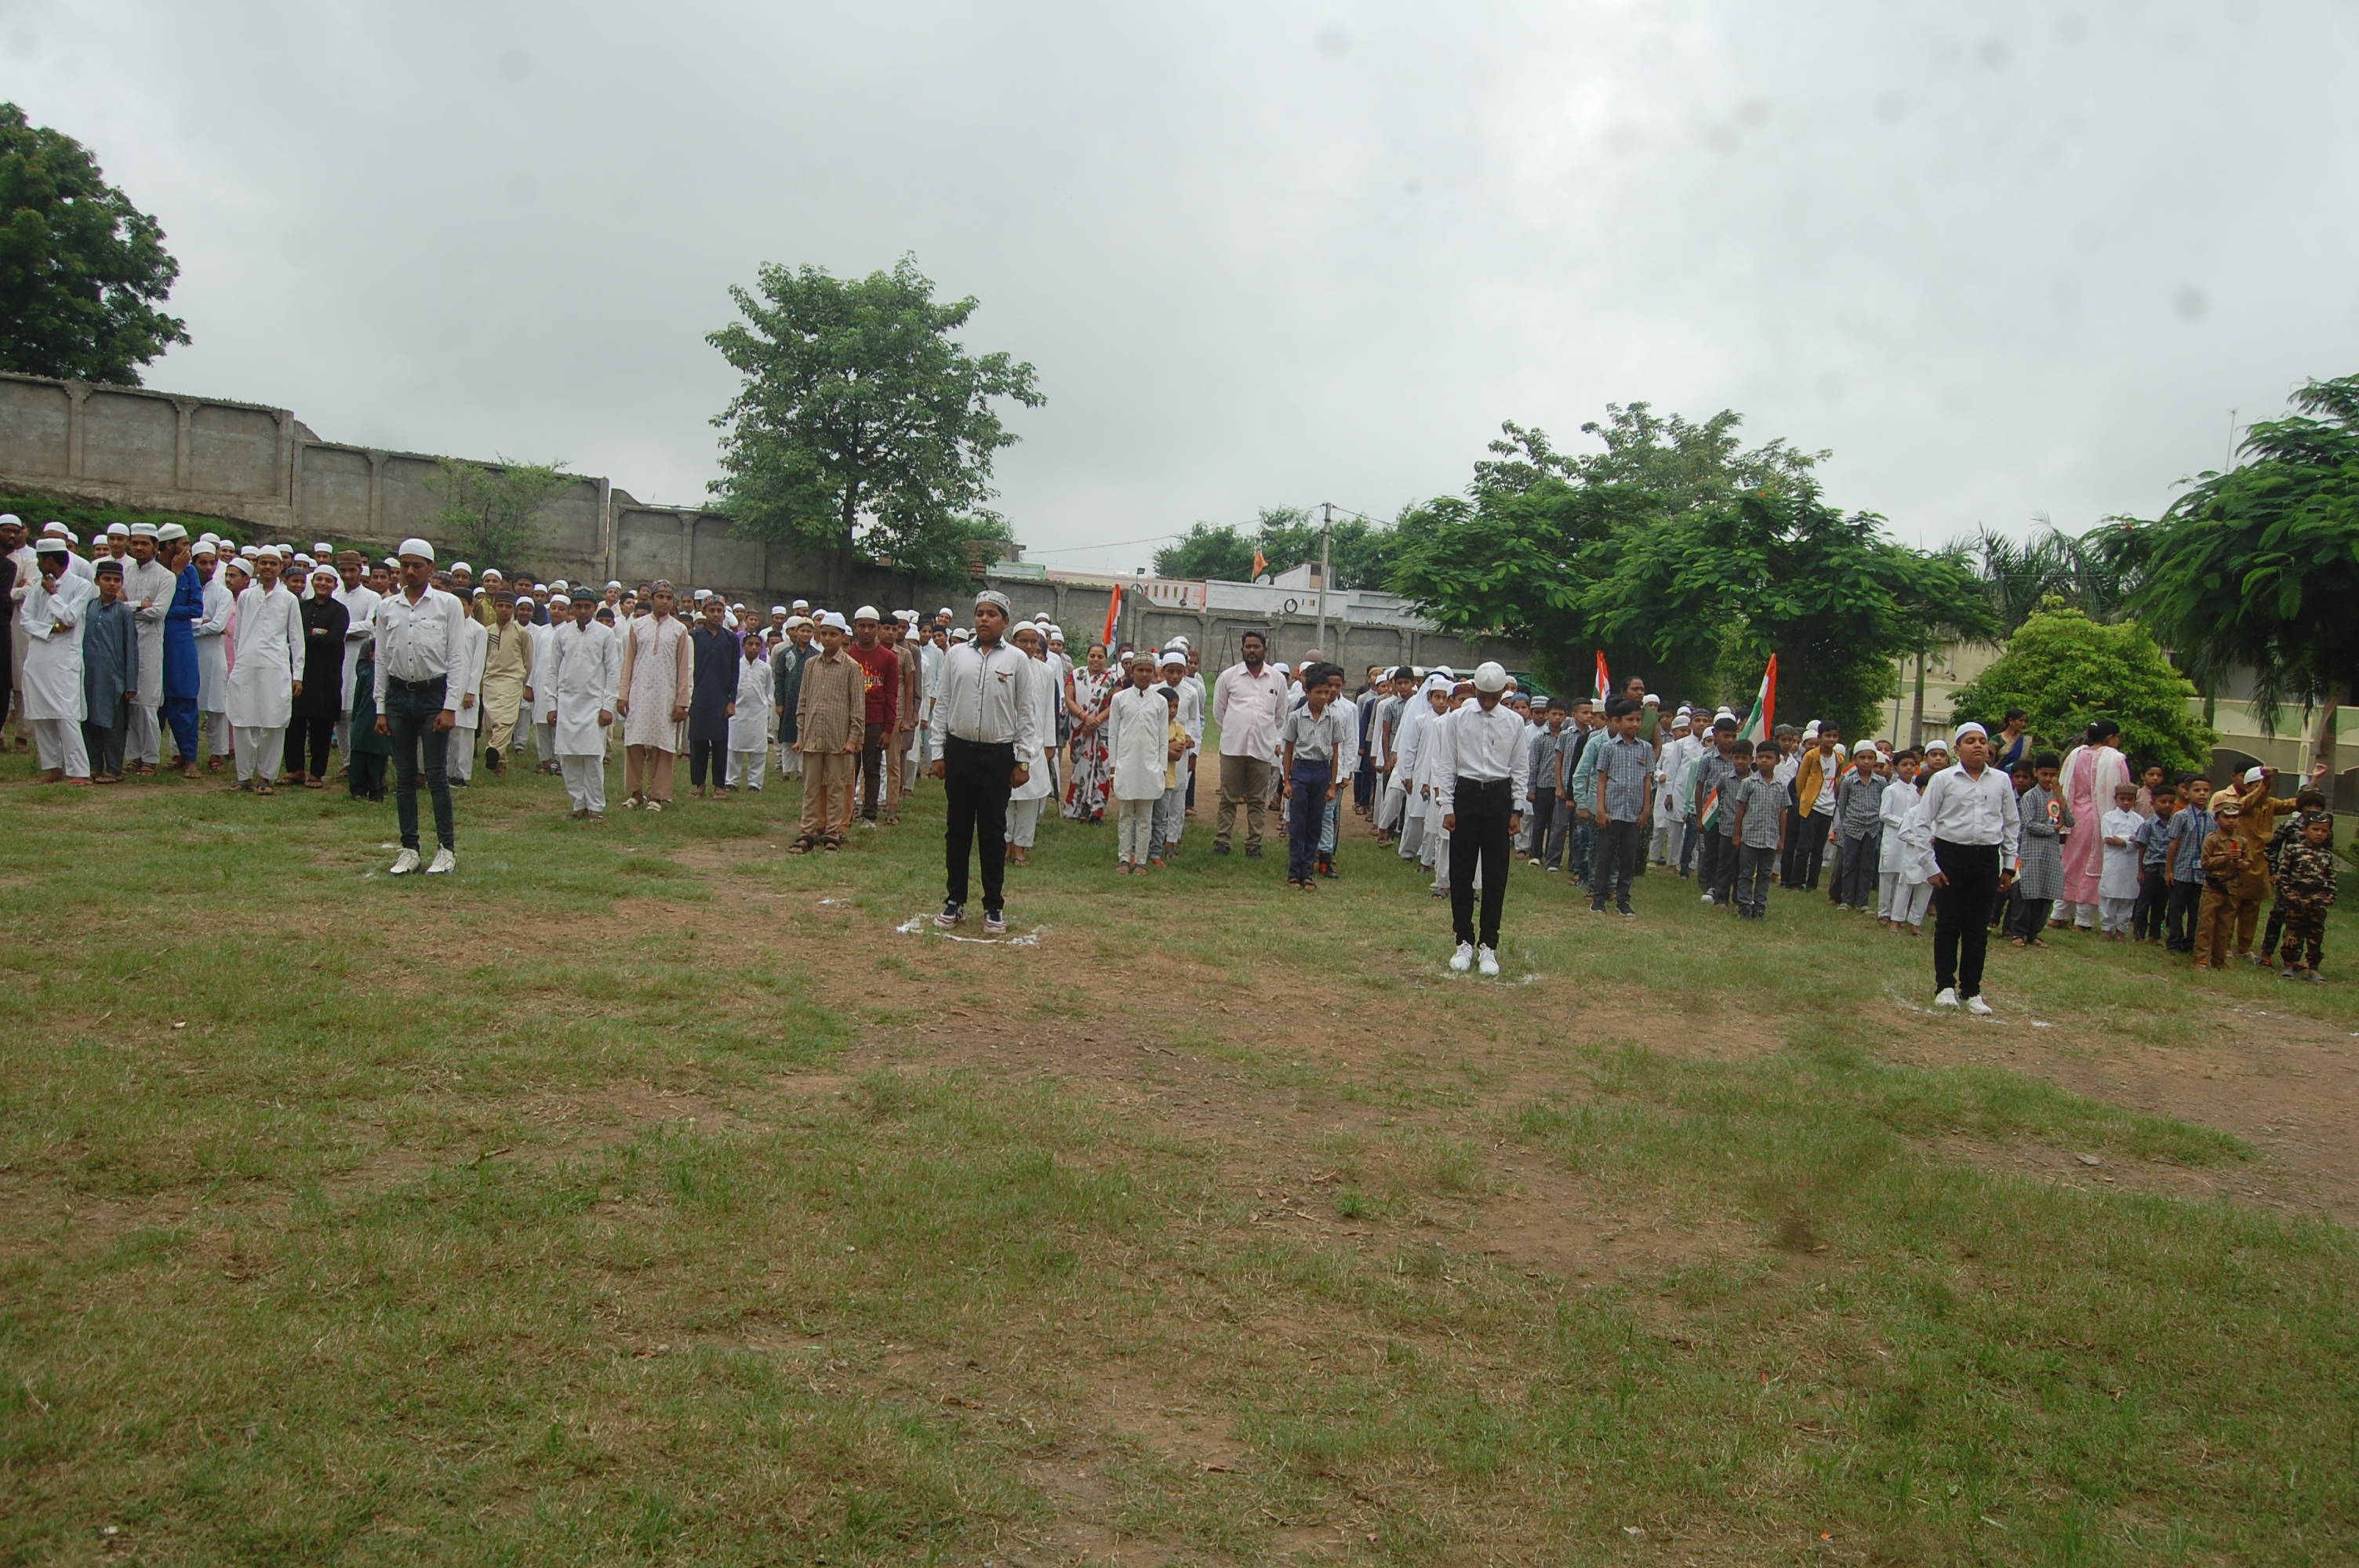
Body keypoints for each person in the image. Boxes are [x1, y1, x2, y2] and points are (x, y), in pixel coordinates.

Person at [929, 590, 1038, 932]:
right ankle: (954, 900)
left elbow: (1026, 712)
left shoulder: (1017, 660)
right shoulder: (957, 655)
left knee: (993, 833)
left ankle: (993, 905)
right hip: (959, 752)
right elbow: (943, 703)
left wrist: (1023, 760)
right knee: (957, 830)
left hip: (997, 755)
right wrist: (937, 751)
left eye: (992, 614)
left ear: (1005, 621)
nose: (984, 619)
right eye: (980, 613)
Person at [371, 538, 467, 875]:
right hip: (398, 696)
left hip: (433, 696)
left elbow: (457, 657)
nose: (409, 572)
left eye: (417, 566)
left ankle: (446, 849)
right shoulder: (387, 608)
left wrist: (450, 705)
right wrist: (380, 707)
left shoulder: (448, 605)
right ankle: (409, 847)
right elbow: (381, 657)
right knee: (405, 775)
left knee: (437, 775)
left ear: (430, 568)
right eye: (404, 566)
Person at [1918, 722, 2020, 1012]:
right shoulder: (1944, 779)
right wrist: (1930, 865)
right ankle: (1945, 986)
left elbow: (2011, 824)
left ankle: (1972, 990)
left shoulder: (2000, 780)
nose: (1978, 746)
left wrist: (2009, 866)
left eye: (1982, 741)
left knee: (1977, 929)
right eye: (1970, 741)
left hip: (1987, 858)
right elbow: (1922, 822)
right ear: (1957, 749)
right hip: (1951, 856)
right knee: (1949, 924)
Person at [1432, 662, 1527, 972]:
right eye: (1483, 696)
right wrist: (1447, 806)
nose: (1487, 703)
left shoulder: (1514, 722)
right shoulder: (1457, 719)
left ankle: (1489, 944)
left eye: (1493, 697)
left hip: (1499, 795)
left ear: (1503, 692)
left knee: (1496, 873)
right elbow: (1446, 763)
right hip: (1467, 793)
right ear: (1475, 690)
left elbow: (1520, 768)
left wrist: (1517, 808)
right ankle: (1463, 940)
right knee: (1461, 871)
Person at [226, 546, 304, 796]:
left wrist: (297, 674)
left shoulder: (289, 599)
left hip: (276, 666)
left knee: (274, 721)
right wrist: (239, 663)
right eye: (263, 563)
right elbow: (238, 635)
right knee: (242, 719)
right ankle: (243, 776)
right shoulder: (247, 596)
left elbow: (296, 638)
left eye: (273, 563)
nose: (268, 567)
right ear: (257, 566)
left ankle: (267, 777)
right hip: (247, 665)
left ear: (280, 567)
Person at [21, 539, 95, 783]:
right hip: (38, 659)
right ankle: (53, 767)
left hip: (64, 660)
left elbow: (71, 617)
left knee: (66, 714)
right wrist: (51, 629)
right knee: (42, 714)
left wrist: (54, 594)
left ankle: (79, 771)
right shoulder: (36, 588)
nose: (39, 565)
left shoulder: (81, 585)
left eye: (41, 561)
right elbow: (26, 620)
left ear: (50, 560)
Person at [789, 612, 863, 853]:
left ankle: (833, 832)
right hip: (813, 736)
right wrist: (801, 736)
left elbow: (857, 707)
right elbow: (803, 702)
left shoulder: (852, 667)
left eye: (834, 634)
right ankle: (807, 832)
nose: (828, 639)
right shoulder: (811, 665)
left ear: (843, 637)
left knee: (836, 787)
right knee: (811, 788)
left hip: (839, 739)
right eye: (824, 634)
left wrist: (853, 739)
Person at [616, 580, 691, 813]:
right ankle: (636, 794)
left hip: (666, 695)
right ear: (652, 599)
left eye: (669, 598)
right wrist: (623, 694)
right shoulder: (637, 627)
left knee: (663, 745)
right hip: (639, 693)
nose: (665, 602)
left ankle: (658, 796)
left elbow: (685, 669)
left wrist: (682, 702)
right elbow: (627, 662)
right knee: (634, 742)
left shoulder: (680, 630)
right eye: (661, 597)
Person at [1210, 631, 1287, 856]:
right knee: (1228, 798)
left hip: (1262, 749)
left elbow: (1281, 715)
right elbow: (1219, 712)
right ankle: (1222, 841)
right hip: (1233, 747)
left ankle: (1254, 845)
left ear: (1265, 649)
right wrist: (1236, 730)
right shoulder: (1229, 676)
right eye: (1248, 647)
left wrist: (1272, 738)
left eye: (1256, 647)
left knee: (1257, 800)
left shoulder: (1276, 679)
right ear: (1242, 649)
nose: (1252, 650)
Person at [547, 590, 619, 820]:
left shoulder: (605, 635)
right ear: (571, 609)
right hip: (567, 702)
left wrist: (608, 706)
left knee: (592, 757)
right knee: (567, 757)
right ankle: (578, 804)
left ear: (594, 608)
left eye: (587, 606)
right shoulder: (562, 634)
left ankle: (596, 807)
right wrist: (551, 704)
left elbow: (613, 671)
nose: (582, 611)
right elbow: (552, 670)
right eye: (578, 606)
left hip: (594, 704)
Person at [1277, 660, 1347, 891]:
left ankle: (1307, 873)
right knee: (1298, 824)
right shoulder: (1296, 717)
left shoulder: (1333, 719)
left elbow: (1336, 753)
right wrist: (1286, 781)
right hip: (1301, 770)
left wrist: (1332, 785)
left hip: (1322, 771)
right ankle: (1294, 873)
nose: (1324, 697)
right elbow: (1288, 750)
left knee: (1315, 825)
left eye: (1327, 693)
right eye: (1319, 692)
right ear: (1307, 692)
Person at [2056, 719, 2132, 931]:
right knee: (2092, 866)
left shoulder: (2075, 755)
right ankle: (2083, 919)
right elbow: (2124, 790)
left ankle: (2059, 913)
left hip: (2074, 816)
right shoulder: (2115, 758)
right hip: (2101, 817)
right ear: (2110, 738)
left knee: (2070, 863)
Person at [1588, 696, 1653, 916]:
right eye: (1629, 719)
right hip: (1611, 811)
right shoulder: (1608, 747)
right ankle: (1598, 899)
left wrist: (1646, 810)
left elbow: (1647, 780)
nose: (1634, 724)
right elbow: (1602, 779)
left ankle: (1623, 899)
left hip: (1633, 814)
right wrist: (1600, 809)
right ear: (1618, 720)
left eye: (1638, 720)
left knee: (1628, 858)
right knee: (1604, 856)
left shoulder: (1645, 749)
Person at [1107, 650, 1171, 873]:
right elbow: (1113, 734)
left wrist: (1162, 768)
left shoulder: (1161, 701)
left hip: (1150, 766)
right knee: (1125, 815)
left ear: (1155, 673)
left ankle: (1141, 860)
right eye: (1140, 670)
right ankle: (1124, 858)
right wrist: (1113, 766)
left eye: (1148, 670)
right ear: (1131, 672)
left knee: (1145, 817)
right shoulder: (1119, 699)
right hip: (1126, 764)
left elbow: (1164, 738)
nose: (1144, 674)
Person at [118, 522, 174, 776]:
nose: (139, 547)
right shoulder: (124, 571)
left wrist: (128, 607)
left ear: (155, 546)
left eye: (144, 543)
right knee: (128, 701)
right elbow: (116, 605)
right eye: (135, 542)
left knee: (148, 702)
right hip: (124, 642)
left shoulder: (166, 576)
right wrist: (138, 605)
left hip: (150, 644)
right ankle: (134, 756)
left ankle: (150, 758)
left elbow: (158, 612)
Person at [290, 563, 351, 789]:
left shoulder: (339, 611)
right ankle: (295, 769)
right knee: (295, 722)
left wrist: (310, 635)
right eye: (319, 579)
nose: (323, 584)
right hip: (301, 671)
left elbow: (334, 638)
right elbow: (295, 635)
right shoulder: (301, 607)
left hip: (326, 675)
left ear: (335, 585)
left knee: (321, 725)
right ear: (312, 582)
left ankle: (317, 773)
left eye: (328, 580)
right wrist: (316, 634)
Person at [79, 556, 138, 782]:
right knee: (89, 721)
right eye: (107, 579)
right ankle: (94, 766)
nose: (112, 584)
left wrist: (130, 682)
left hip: (114, 677)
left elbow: (131, 648)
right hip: (89, 675)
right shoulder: (89, 608)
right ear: (97, 581)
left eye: (116, 580)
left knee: (112, 724)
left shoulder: (123, 612)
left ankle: (113, 769)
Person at [845, 607, 901, 825]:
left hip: (876, 721)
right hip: (850, 721)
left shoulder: (888, 658)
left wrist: (888, 730)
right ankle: (847, 812)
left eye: (871, 626)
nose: (866, 631)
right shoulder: (848, 655)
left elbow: (891, 694)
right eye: (862, 626)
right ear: (855, 628)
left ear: (878, 628)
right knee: (849, 769)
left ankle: (869, 814)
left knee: (872, 768)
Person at [2008, 752, 2071, 945]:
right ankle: (2018, 932)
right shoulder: (2030, 796)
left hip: (2051, 853)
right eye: (2044, 774)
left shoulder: (2057, 797)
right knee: (2027, 891)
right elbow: (2029, 823)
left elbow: (2071, 821)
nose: (2049, 779)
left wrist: (2062, 801)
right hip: (2031, 851)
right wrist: (2053, 829)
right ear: (2036, 773)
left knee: (2046, 893)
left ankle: (2035, 933)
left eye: (2053, 775)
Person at [154, 524, 202, 775]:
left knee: (184, 696)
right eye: (184, 543)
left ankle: (190, 758)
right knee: (153, 700)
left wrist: (160, 611)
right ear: (170, 546)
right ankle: (147, 757)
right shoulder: (152, 571)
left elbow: (196, 608)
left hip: (180, 641)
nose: (188, 548)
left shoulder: (190, 573)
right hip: (154, 640)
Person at [2194, 798, 2263, 971]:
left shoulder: (2242, 842)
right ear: (2217, 819)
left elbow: (2249, 862)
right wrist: (2225, 858)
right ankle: (2201, 958)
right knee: (2207, 925)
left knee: (2225, 926)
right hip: (2214, 887)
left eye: (2235, 817)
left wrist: (2242, 864)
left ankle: (2219, 958)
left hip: (2232, 888)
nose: (2231, 821)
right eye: (2226, 817)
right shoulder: (2212, 840)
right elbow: (2205, 863)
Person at [2274, 813, 2338, 981]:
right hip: (2297, 898)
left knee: (2316, 934)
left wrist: (2329, 897)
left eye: (2324, 831)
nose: (2319, 834)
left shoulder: (2327, 855)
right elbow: (2283, 875)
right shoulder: (2294, 850)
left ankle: (2313, 967)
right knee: (2293, 933)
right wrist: (2289, 894)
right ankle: (2290, 964)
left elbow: (2331, 878)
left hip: (2318, 900)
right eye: (2315, 829)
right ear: (2304, 830)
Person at [477, 591, 533, 775]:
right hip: (490, 680)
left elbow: (528, 661)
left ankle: (493, 749)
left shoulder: (521, 633)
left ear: (513, 610)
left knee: (506, 720)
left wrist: (522, 681)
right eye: (500, 606)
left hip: (512, 680)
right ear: (494, 607)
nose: (504, 610)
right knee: (491, 722)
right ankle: (499, 763)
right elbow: (482, 658)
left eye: (508, 606)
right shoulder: (486, 632)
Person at [686, 593, 736, 799]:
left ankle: (719, 785)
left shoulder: (731, 639)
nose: (716, 615)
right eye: (712, 611)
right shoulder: (695, 637)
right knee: (698, 742)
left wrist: (732, 700)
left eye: (720, 611)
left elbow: (735, 671)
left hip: (721, 698)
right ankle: (699, 784)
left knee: (719, 743)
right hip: (698, 696)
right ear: (704, 613)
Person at [1728, 739, 1784, 918]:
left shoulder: (1781, 786)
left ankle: (1760, 906)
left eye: (1769, 757)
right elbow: (1741, 810)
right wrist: (1737, 834)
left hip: (1770, 838)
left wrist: (1782, 839)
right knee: (1745, 873)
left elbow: (1783, 813)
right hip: (1750, 837)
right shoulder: (1749, 783)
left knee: (1764, 874)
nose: (1764, 761)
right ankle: (1744, 905)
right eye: (1760, 757)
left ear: (1777, 760)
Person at [2160, 775, 2214, 954]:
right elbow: (2173, 843)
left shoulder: (2212, 819)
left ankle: (2191, 942)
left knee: (2196, 909)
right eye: (2197, 790)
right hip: (2182, 870)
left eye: (2205, 791)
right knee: (2176, 908)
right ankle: (2174, 941)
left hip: (2201, 872)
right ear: (2187, 792)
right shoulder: (2180, 816)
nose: (2202, 794)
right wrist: (2169, 870)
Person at [1061, 642, 1115, 823]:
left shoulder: (1113, 678)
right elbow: (1069, 699)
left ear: (1105, 659)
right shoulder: (1075, 675)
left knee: (1102, 770)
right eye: (1092, 655)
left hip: (1102, 730)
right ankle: (1075, 809)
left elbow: (1116, 702)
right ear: (1087, 656)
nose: (1096, 660)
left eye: (1100, 657)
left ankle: (1096, 812)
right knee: (1080, 768)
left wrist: (1097, 720)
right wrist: (1085, 717)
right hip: (1080, 730)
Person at [1834, 741, 1888, 912]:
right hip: (1852, 828)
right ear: (1855, 759)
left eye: (1870, 758)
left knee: (1867, 865)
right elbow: (1842, 805)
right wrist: (1847, 823)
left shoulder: (1880, 782)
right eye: (1862, 757)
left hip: (1872, 829)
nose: (1866, 761)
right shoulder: (1848, 781)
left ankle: (1863, 901)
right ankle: (1847, 899)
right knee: (1849, 864)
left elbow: (1882, 804)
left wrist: (1877, 824)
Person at [442, 587, 488, 786]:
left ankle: (462, 774)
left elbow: (478, 664)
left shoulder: (478, 630)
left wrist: (471, 691)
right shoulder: (446, 626)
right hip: (447, 685)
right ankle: (446, 771)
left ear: (471, 605)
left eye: (463, 604)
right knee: (448, 733)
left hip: (466, 688)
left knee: (464, 734)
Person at [346, 632, 391, 801]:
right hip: (363, 720)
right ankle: (358, 789)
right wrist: (356, 717)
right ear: (371, 655)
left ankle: (376, 790)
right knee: (358, 757)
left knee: (378, 759)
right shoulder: (366, 675)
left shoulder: (391, 679)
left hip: (381, 723)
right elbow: (358, 698)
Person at [725, 630, 772, 792]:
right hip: (737, 712)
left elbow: (767, 692)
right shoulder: (735, 666)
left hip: (758, 713)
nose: (753, 648)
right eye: (750, 644)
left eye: (757, 645)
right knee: (734, 748)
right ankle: (731, 781)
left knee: (758, 751)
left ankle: (755, 783)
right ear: (743, 646)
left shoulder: (765, 668)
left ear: (762, 648)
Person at [2098, 781, 2146, 940]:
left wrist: (2124, 842)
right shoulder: (2109, 817)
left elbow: (2142, 842)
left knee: (2128, 898)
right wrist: (2130, 841)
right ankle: (2106, 927)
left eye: (2129, 799)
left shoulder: (2139, 820)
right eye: (2122, 799)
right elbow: (2109, 839)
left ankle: (2121, 929)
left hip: (2131, 864)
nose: (2126, 802)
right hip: (2113, 863)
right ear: (2116, 799)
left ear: (2134, 800)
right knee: (2109, 896)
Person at [2132, 783, 2179, 943]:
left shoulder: (2176, 823)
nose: (2167, 805)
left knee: (2161, 903)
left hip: (2167, 868)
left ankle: (2155, 935)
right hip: (2151, 867)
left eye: (2171, 802)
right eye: (2163, 801)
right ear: (2153, 803)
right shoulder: (2148, 825)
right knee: (2144, 902)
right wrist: (2141, 870)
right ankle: (2139, 933)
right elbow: (2142, 848)